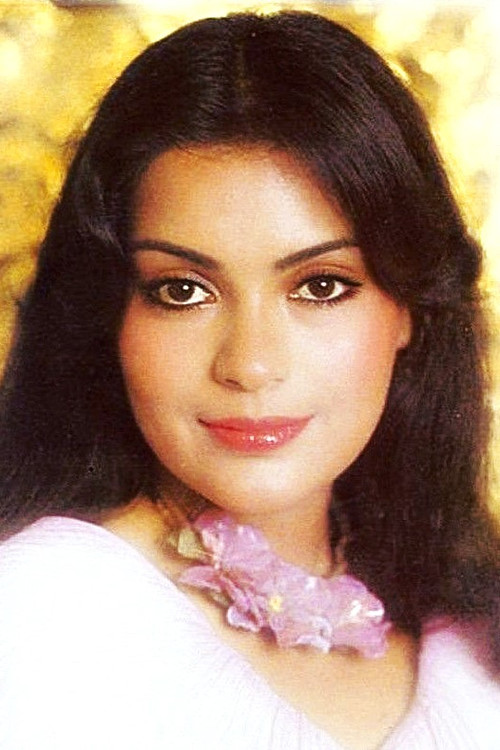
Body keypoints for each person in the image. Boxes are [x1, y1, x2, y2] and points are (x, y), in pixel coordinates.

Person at [0, 10, 498, 750]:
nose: (251, 364)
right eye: (183, 291)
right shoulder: (42, 618)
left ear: (410, 310)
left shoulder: (473, 634)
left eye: (321, 286)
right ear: (110, 316)